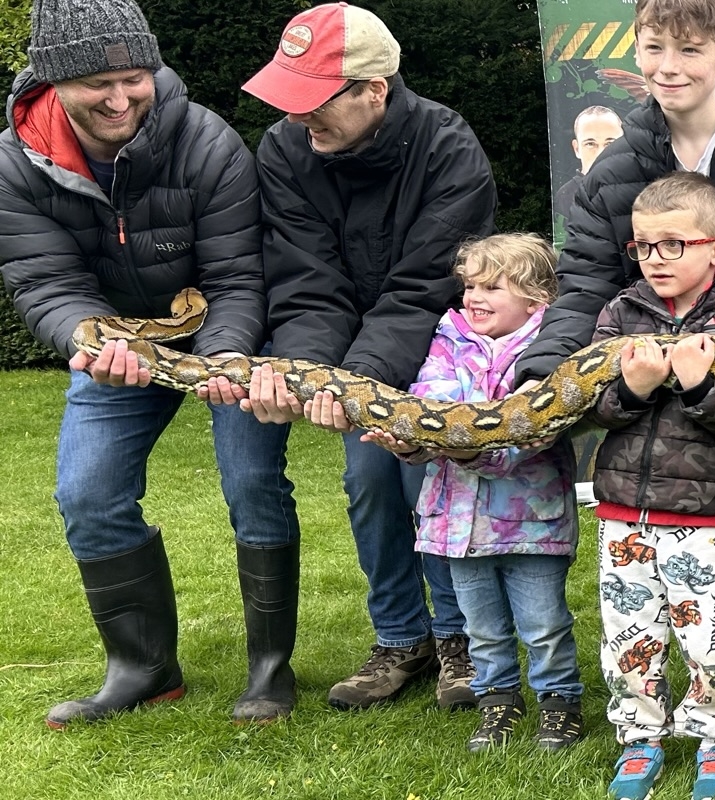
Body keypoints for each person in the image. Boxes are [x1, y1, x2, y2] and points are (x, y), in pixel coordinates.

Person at [516, 0, 715, 752]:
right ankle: (665, 686)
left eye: (689, 49)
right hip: (649, 370)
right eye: (654, 47)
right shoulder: (620, 161)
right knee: (658, 531)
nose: (668, 66)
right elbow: (587, 277)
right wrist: (541, 370)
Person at [0, 0, 299, 727]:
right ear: (50, 81)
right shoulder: (17, 162)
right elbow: (45, 282)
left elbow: (237, 276)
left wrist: (226, 353)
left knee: (253, 480)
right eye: (95, 83)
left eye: (133, 78)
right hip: (115, 348)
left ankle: (270, 671)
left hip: (226, 334)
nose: (119, 99)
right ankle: (143, 668)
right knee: (89, 494)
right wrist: (84, 339)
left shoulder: (207, 142)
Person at [237, 1, 498, 713]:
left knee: (415, 478)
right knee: (368, 482)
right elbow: (305, 279)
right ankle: (400, 638)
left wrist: (351, 381)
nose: (298, 119)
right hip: (348, 355)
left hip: (433, 346)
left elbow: (424, 289)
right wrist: (306, 373)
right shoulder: (286, 150)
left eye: (314, 102)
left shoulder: (447, 146)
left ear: (374, 90)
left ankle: (459, 641)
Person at [358, 234, 585, 753]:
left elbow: (527, 436)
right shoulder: (446, 338)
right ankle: (497, 703)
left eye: (492, 287)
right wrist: (410, 445)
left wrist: (453, 442)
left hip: (532, 524)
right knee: (481, 628)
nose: (474, 297)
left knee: (544, 624)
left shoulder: (550, 352)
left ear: (535, 299)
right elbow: (427, 404)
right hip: (453, 524)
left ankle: (559, 704)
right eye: (469, 286)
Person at [589, 172, 715, 800]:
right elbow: (595, 409)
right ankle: (640, 739)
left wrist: (698, 385)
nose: (656, 259)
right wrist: (632, 388)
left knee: (708, 636)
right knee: (629, 635)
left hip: (708, 515)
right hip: (622, 513)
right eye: (643, 247)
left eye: (673, 244)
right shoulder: (618, 312)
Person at [554, 104, 625, 248]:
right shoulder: (566, 196)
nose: (601, 153)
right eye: (590, 144)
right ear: (577, 148)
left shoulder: (643, 189)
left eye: (610, 143)